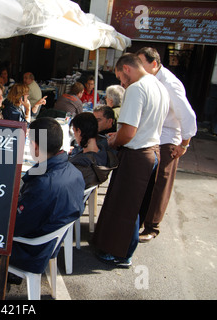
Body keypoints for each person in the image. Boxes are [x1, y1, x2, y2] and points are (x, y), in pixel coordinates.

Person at [91, 53, 169, 268]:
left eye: (120, 78)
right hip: (152, 152)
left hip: (137, 154)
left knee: (123, 207)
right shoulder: (158, 85)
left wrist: (114, 141)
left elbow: (128, 132)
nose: (121, 83)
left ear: (126, 69)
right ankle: (122, 251)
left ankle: (118, 253)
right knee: (133, 207)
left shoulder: (136, 88)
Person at [9, 117, 85, 274]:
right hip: (49, 243)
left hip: (30, 251)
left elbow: (15, 227)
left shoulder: (43, 185)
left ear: (36, 147)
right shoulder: (75, 173)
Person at [136, 47, 197, 242]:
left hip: (168, 139)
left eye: (141, 64)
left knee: (160, 184)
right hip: (153, 137)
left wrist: (184, 145)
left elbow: (188, 116)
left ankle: (152, 227)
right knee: (147, 182)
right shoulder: (150, 80)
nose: (139, 68)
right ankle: (141, 221)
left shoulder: (170, 83)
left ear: (153, 64)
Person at [68, 112, 113, 188]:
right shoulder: (103, 154)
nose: (74, 135)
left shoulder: (81, 165)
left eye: (74, 131)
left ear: (79, 132)